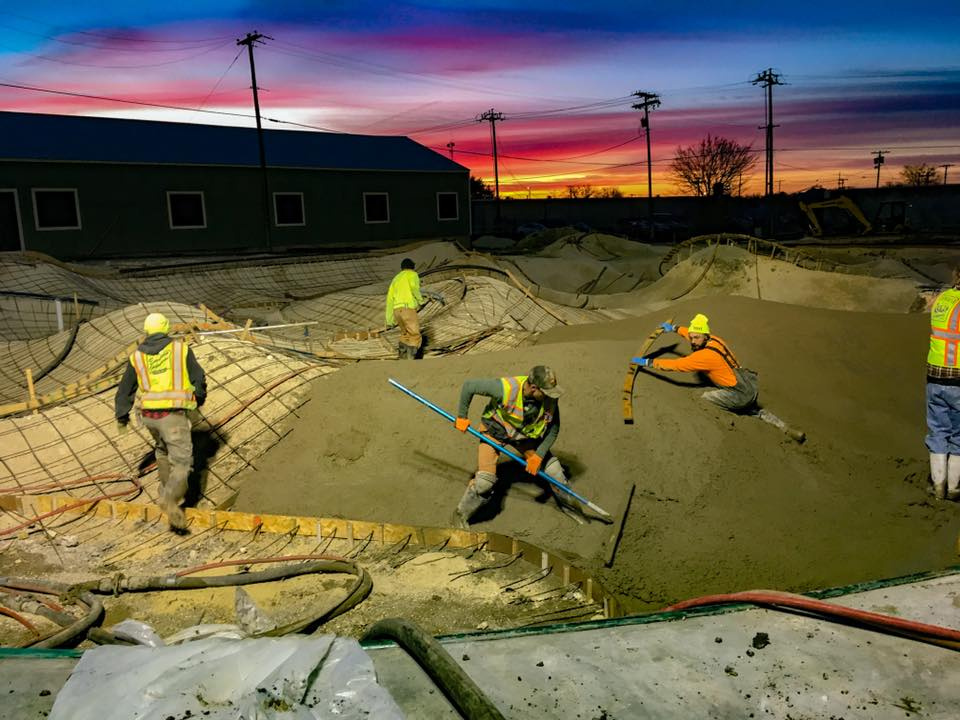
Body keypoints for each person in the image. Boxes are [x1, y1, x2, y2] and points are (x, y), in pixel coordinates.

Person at [115, 312, 206, 533]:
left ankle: (166, 490)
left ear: (147, 331)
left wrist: (122, 415)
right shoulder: (180, 349)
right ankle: (170, 498)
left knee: (162, 451)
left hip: (149, 416)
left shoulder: (136, 356)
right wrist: (198, 398)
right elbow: (198, 377)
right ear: (166, 328)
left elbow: (125, 388)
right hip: (172, 414)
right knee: (183, 462)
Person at [453, 365, 566, 525]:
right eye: (546, 392)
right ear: (534, 388)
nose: (551, 396)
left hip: (522, 436)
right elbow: (469, 386)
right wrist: (462, 416)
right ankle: (460, 516)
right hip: (494, 431)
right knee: (484, 483)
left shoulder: (550, 400)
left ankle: (569, 506)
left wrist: (538, 455)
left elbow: (554, 430)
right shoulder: (505, 389)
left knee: (554, 470)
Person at [635, 313, 759, 413]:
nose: (692, 341)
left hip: (739, 393)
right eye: (691, 337)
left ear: (705, 336)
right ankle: (750, 406)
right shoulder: (713, 339)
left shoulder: (704, 356)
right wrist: (674, 328)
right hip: (747, 381)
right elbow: (691, 333)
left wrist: (648, 362)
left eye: (696, 338)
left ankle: (750, 411)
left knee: (704, 399)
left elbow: (676, 365)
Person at [925, 267, 960, 500]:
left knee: (937, 430)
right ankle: (954, 487)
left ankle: (938, 486)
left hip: (935, 375)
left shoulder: (942, 299)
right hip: (958, 375)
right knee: (959, 433)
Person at [385, 258, 444, 359]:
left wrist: (389, 320)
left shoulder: (396, 278)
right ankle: (411, 359)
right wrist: (421, 301)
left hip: (396, 311)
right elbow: (414, 289)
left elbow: (389, 300)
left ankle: (402, 354)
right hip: (407, 309)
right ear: (412, 267)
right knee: (415, 335)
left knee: (405, 334)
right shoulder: (412, 274)